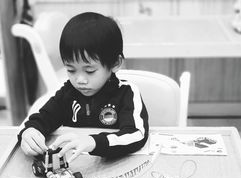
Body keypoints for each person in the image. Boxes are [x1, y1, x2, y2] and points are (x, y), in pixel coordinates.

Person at [18, 12, 149, 163]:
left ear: (115, 64)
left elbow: (136, 134)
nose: (80, 80)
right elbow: (41, 119)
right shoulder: (67, 94)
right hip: (77, 168)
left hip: (115, 167)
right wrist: (30, 131)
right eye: (71, 70)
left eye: (89, 71)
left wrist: (94, 142)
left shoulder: (127, 93)